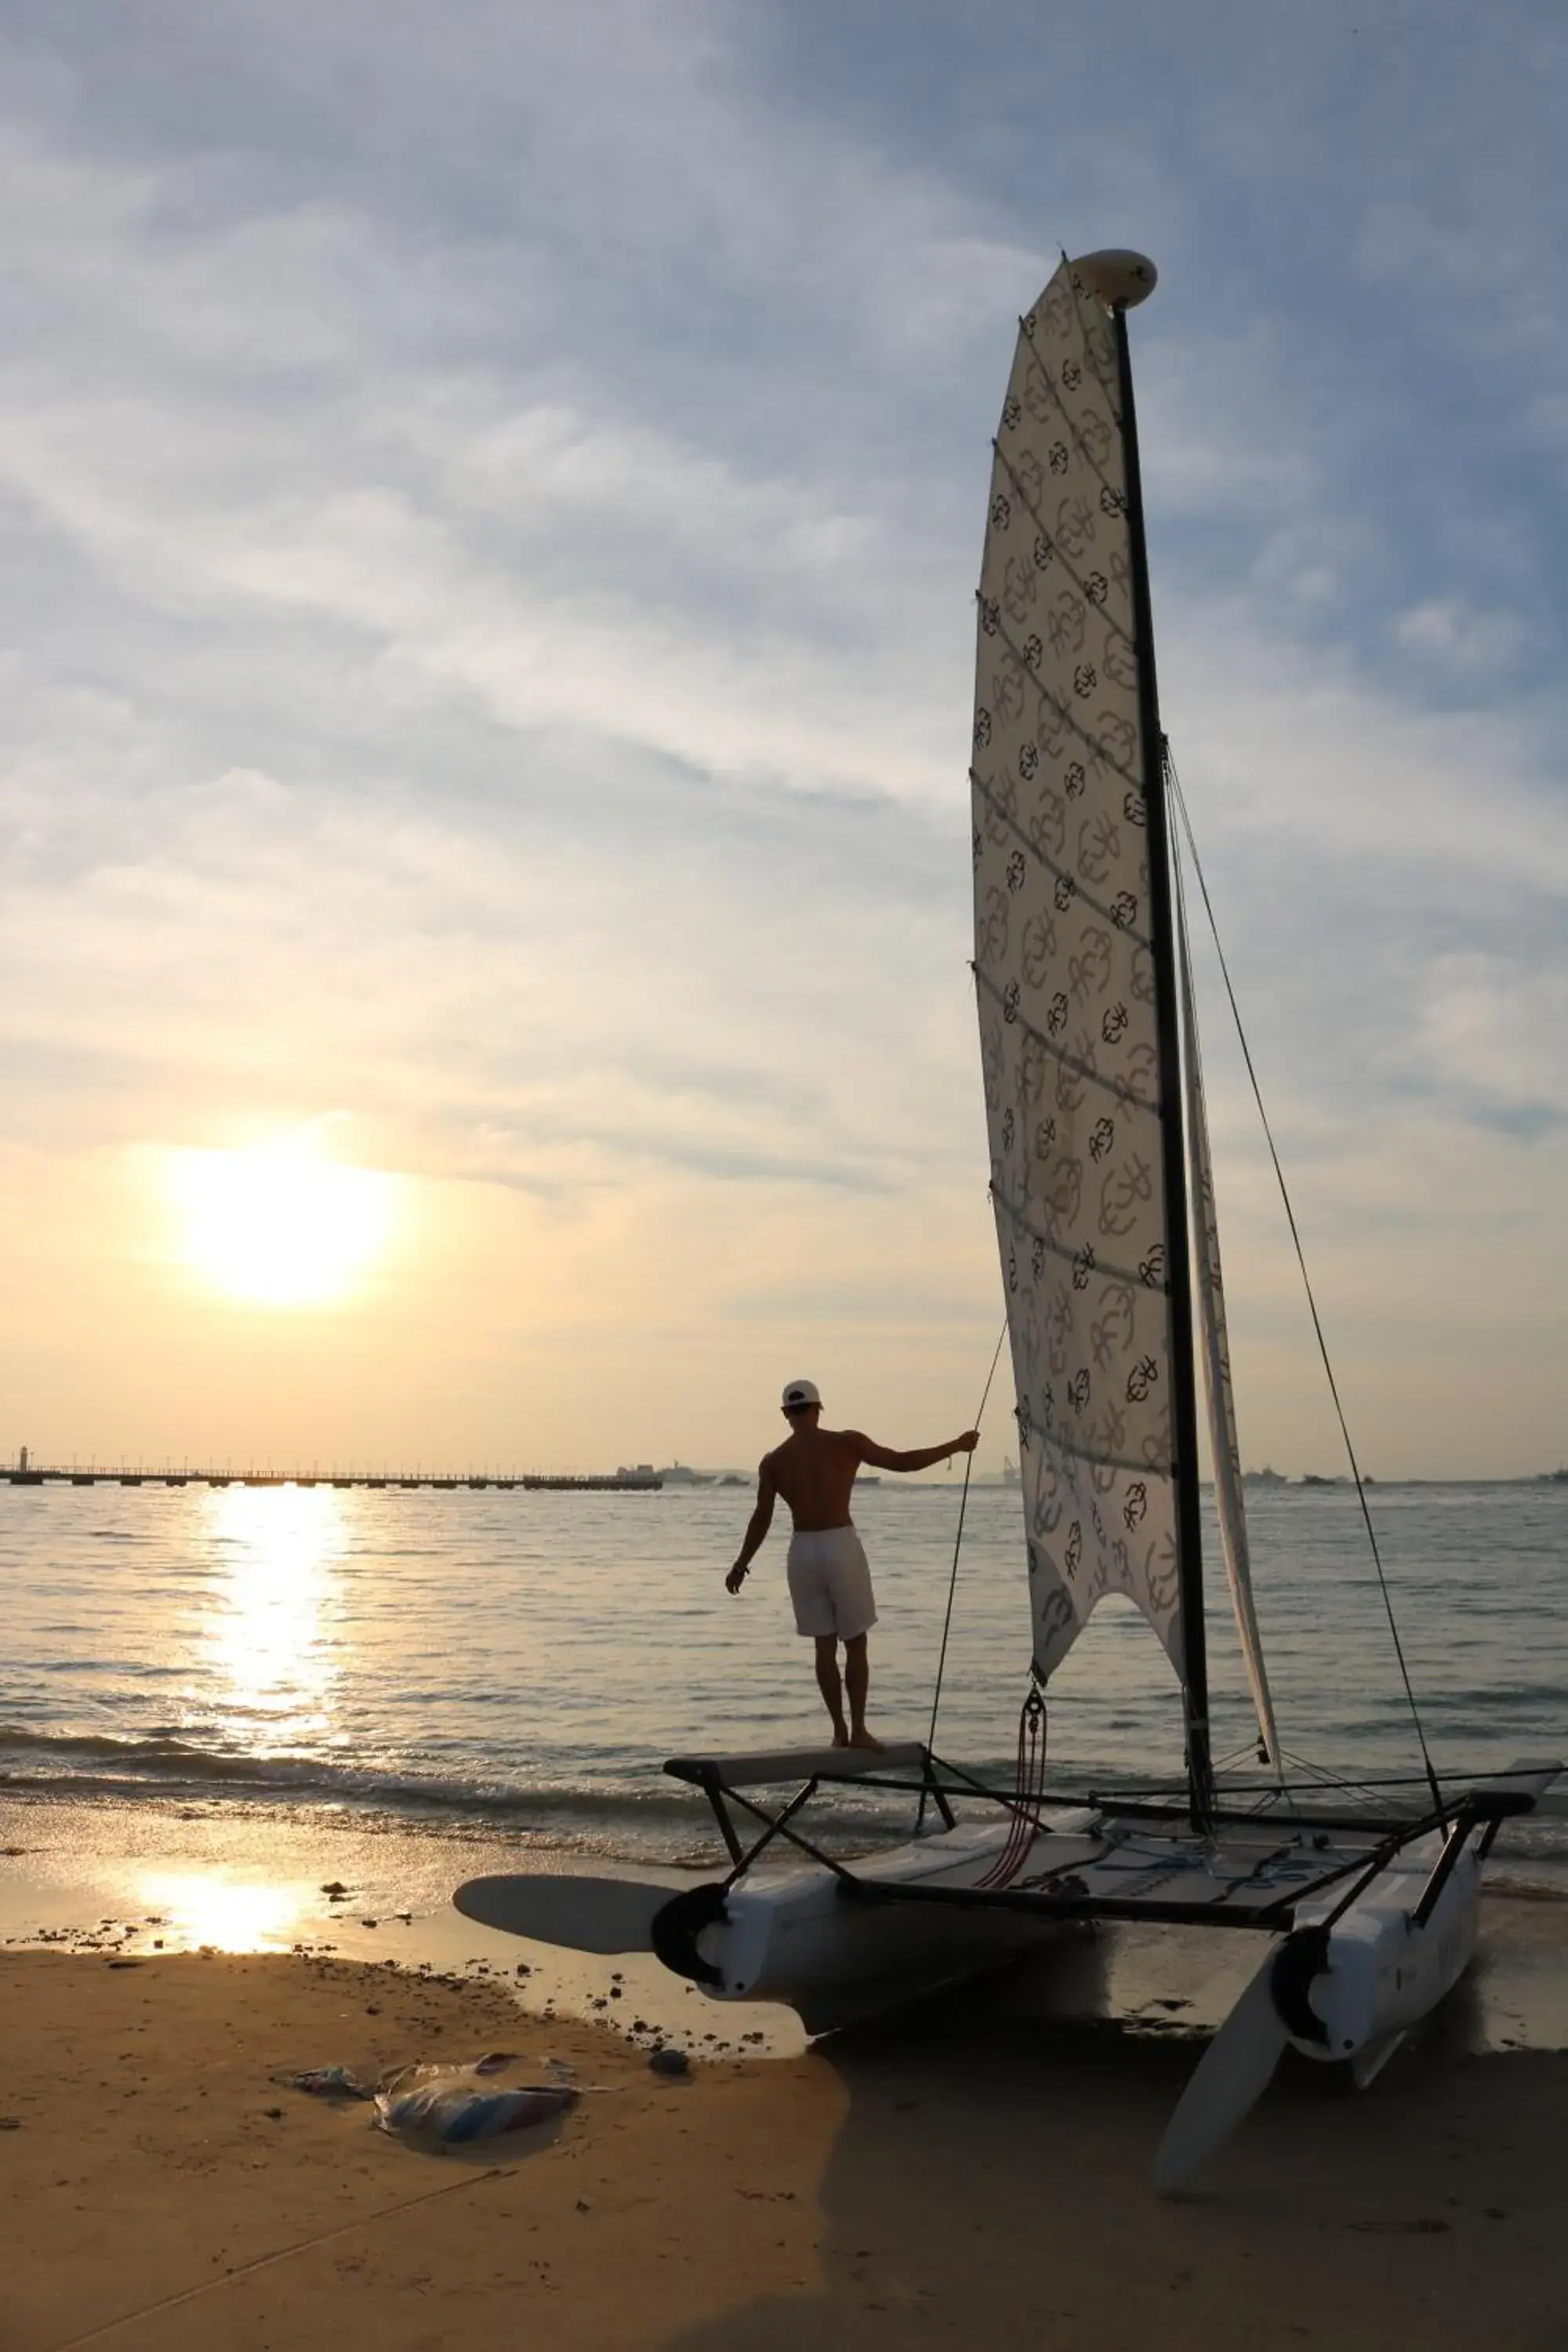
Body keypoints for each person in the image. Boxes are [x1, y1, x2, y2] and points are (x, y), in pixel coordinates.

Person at [724, 1379, 979, 1749]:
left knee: (823, 1648)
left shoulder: (773, 1461)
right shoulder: (847, 1442)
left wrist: (740, 1565)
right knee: (856, 1643)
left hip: (802, 1551)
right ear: (819, 1408)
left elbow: (761, 1518)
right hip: (839, 1544)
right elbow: (902, 1462)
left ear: (786, 1414)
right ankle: (859, 1729)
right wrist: (955, 1446)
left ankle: (838, 1731)